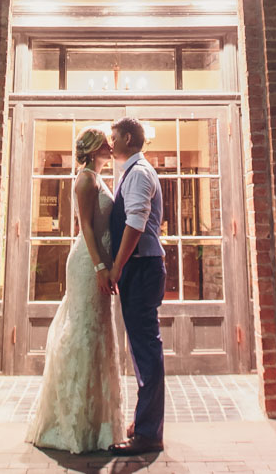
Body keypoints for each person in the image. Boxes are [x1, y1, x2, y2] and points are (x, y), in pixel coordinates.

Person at [25, 126, 123, 453]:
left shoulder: (96, 177)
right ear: (95, 149)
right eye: (107, 146)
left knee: (98, 335)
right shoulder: (85, 180)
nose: (111, 150)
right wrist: (99, 266)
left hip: (99, 260)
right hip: (87, 263)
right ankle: (74, 424)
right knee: (83, 334)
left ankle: (99, 425)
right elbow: (85, 228)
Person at [105, 116, 165, 455]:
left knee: (146, 351)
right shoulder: (132, 172)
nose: (111, 143)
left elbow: (136, 224)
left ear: (128, 138)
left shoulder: (139, 173)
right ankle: (146, 424)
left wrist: (116, 268)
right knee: (143, 349)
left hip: (141, 268)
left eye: (114, 137)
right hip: (138, 268)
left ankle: (147, 434)